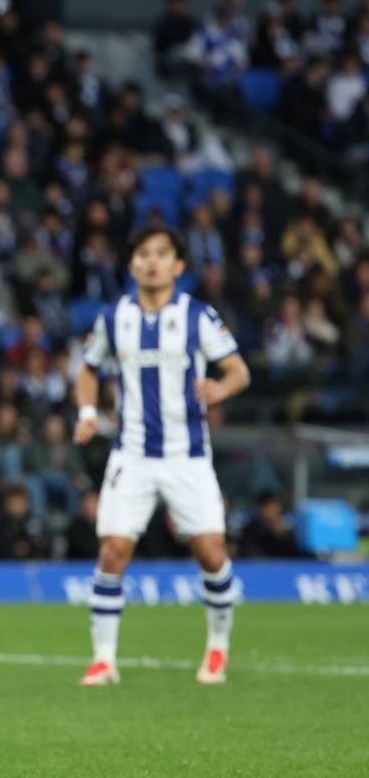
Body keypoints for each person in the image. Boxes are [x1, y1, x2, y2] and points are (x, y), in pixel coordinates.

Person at [73, 227, 251, 686]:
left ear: (178, 266)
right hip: (131, 454)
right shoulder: (114, 317)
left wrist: (218, 388)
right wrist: (88, 411)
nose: (151, 262)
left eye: (161, 254)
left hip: (187, 455)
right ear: (132, 265)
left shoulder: (198, 316)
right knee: (113, 551)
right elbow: (88, 370)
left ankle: (217, 649)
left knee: (211, 553)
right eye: (143, 254)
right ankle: (103, 660)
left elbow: (238, 371)